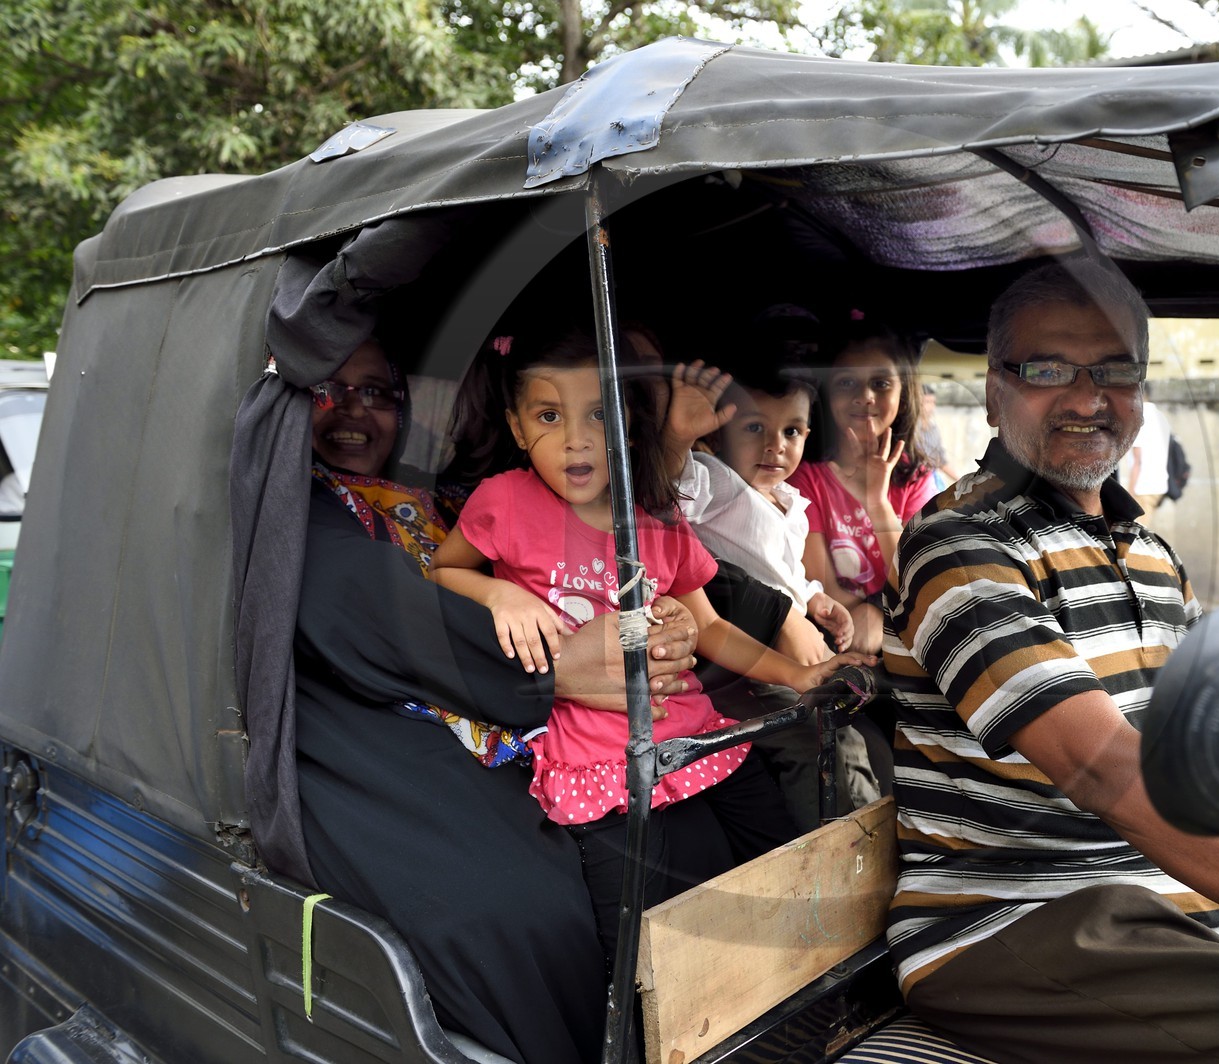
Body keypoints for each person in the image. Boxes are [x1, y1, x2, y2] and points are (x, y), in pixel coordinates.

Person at [882, 262, 1219, 1063]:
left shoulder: (1151, 555)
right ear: (994, 390)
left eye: (1115, 370)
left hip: (1164, 898)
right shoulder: (961, 546)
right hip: (1012, 921)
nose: (1084, 397)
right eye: (1046, 370)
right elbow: (1106, 767)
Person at [294, 337, 701, 1064]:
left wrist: (716, 622)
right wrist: (551, 672)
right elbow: (365, 606)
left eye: (377, 393)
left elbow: (626, 560)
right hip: (408, 739)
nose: (353, 412)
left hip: (559, 738)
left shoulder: (456, 498)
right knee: (524, 909)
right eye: (330, 389)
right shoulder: (300, 511)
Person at [428, 329, 868, 962]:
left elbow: (710, 626)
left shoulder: (655, 516)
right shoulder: (503, 501)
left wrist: (800, 676)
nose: (576, 438)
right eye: (549, 417)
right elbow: (444, 571)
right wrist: (503, 596)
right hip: (598, 758)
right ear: (518, 429)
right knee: (639, 940)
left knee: (780, 869)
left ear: (627, 426)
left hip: (696, 736)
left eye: (598, 415)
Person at [659, 356, 885, 826]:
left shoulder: (791, 504)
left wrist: (818, 600)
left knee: (844, 733)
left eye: (792, 432)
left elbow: (789, 575)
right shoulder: (716, 481)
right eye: (754, 428)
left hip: (789, 653)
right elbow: (668, 488)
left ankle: (867, 835)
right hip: (739, 663)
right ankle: (834, 850)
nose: (775, 446)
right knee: (814, 737)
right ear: (717, 433)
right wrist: (679, 439)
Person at [790, 317, 938, 653]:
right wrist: (868, 613)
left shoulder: (916, 479)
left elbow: (919, 578)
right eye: (846, 383)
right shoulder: (805, 480)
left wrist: (878, 504)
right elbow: (825, 583)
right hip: (840, 625)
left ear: (903, 393)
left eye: (881, 383)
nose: (865, 396)